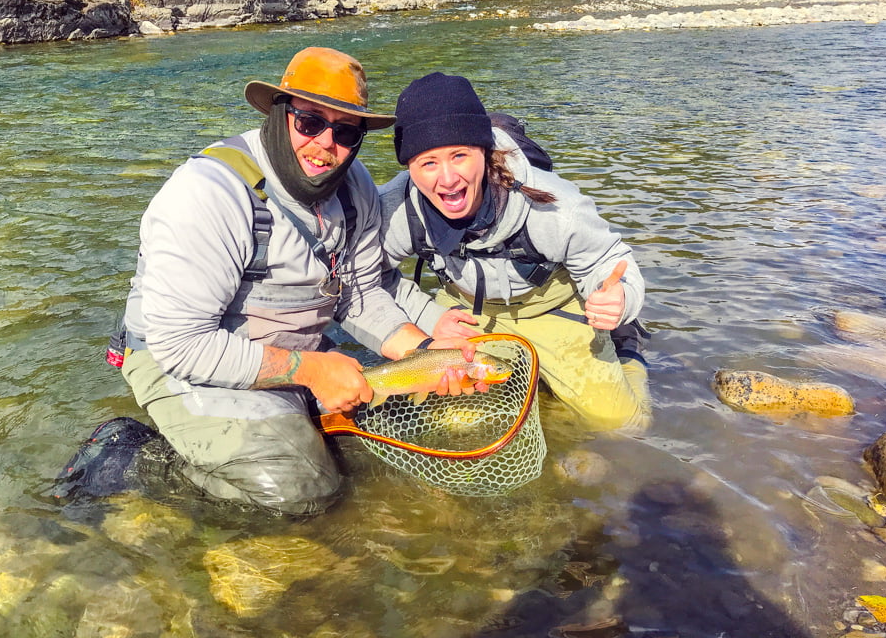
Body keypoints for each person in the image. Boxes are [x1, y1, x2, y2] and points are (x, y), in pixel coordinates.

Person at [61, 48, 476, 516]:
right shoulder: (208, 193)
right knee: (300, 491)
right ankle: (134, 460)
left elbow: (358, 295)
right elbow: (181, 345)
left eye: (345, 131)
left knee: (385, 445)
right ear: (279, 113)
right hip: (179, 357)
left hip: (287, 351)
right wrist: (311, 372)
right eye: (309, 122)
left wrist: (423, 356)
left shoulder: (355, 186)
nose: (326, 144)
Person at [349, 72, 651, 433]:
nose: (446, 179)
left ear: (484, 151)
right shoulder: (397, 209)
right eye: (427, 163)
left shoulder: (555, 206)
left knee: (622, 428)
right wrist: (427, 317)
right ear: (410, 167)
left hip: (554, 311)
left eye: (459, 155)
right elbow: (363, 278)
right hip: (465, 316)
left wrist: (619, 300)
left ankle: (628, 347)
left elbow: (611, 265)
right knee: (456, 424)